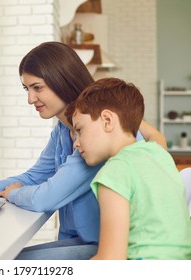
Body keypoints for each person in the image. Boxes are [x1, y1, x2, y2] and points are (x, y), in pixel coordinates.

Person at [0, 42, 166, 259]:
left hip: (110, 250)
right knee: (3, 257)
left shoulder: (98, 138)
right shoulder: (63, 130)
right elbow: (36, 176)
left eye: (37, 87)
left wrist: (13, 192)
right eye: (27, 89)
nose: (30, 99)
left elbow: (46, 198)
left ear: (62, 80)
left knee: (4, 261)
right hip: (82, 241)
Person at [68, 77, 191, 259]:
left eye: (79, 130)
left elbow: (111, 261)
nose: (76, 143)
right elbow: (155, 135)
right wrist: (127, 113)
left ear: (107, 120)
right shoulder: (159, 154)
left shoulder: (115, 171)